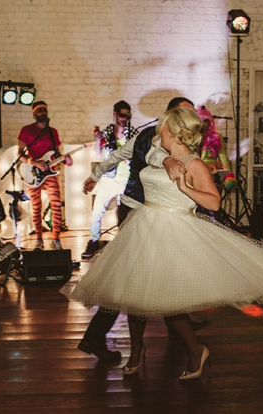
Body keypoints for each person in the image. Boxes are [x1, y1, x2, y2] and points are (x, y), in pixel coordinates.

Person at [63, 107, 263, 379]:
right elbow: (149, 155)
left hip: (172, 230)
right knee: (133, 293)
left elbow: (213, 201)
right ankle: (137, 349)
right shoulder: (157, 154)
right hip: (143, 224)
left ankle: (196, 350)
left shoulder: (195, 163)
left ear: (172, 131)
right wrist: (163, 163)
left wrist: (186, 189)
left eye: (162, 127)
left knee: (167, 301)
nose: (157, 131)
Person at [76, 97, 199, 361]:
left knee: (153, 272)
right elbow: (148, 154)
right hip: (136, 211)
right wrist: (95, 177)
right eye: (185, 111)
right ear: (171, 114)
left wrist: (94, 177)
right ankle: (95, 337)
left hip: (153, 213)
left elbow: (119, 156)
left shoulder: (178, 141)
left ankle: (177, 323)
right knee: (129, 279)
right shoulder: (153, 138)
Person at [81, 101, 138, 258]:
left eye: (128, 115)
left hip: (127, 179)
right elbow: (98, 155)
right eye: (122, 115)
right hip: (109, 178)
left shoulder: (133, 133)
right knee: (97, 211)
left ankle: (124, 243)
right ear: (115, 114)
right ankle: (93, 241)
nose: (124, 118)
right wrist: (98, 141)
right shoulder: (106, 132)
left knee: (126, 213)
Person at [17, 101, 72, 250]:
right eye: (39, 110)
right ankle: (39, 239)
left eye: (45, 110)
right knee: (36, 207)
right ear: (34, 114)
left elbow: (57, 153)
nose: (43, 112)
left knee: (56, 205)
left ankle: (56, 239)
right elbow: (19, 154)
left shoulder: (52, 132)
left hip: (50, 173)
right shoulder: (27, 130)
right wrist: (34, 162)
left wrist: (65, 159)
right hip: (33, 173)